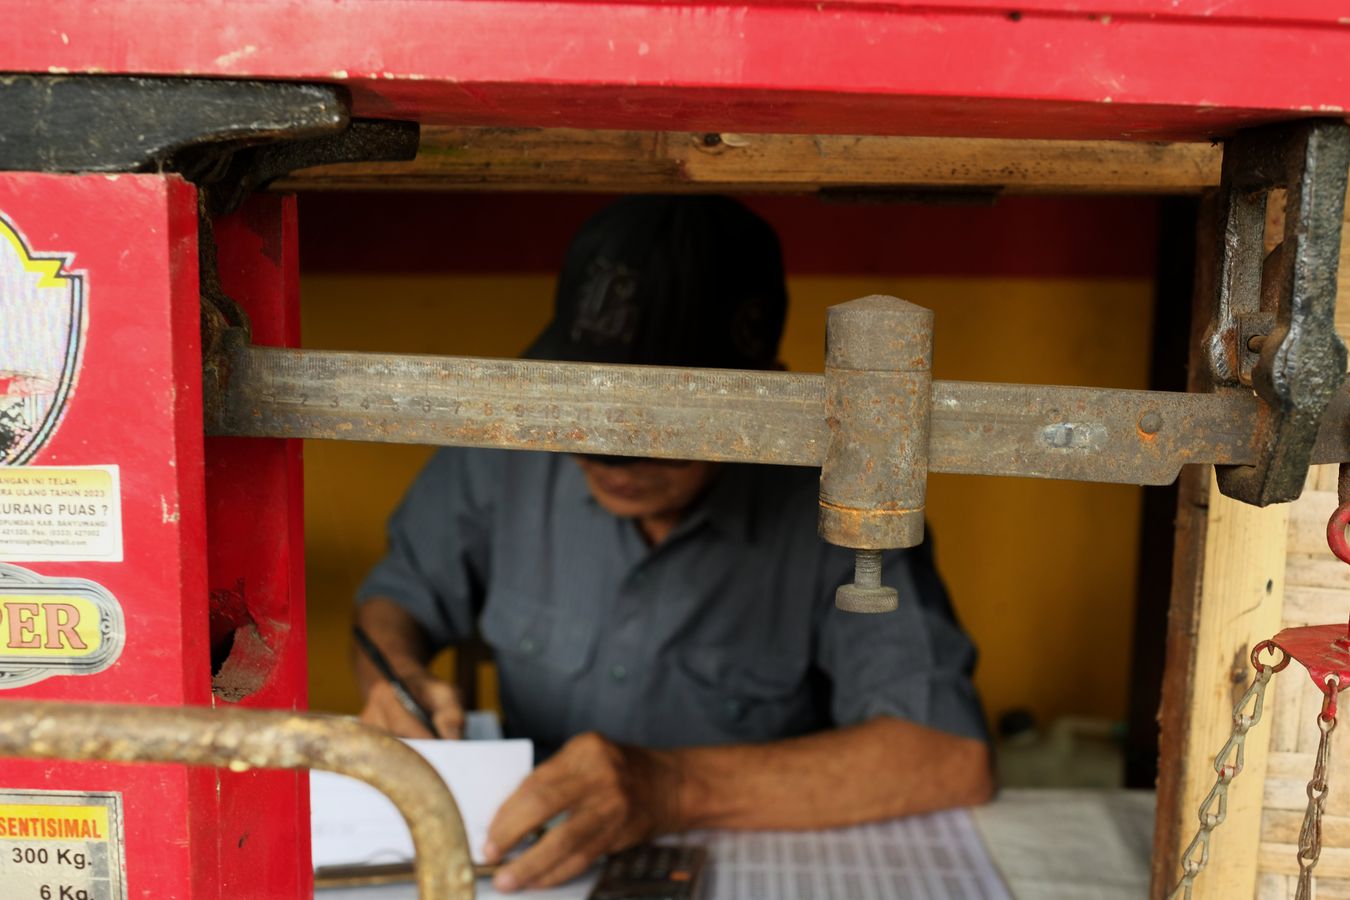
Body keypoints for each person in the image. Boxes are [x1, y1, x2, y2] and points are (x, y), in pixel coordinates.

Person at [353, 195, 992, 893]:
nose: (611, 460)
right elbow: (396, 597)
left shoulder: (842, 504)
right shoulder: (507, 451)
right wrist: (395, 679)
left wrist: (672, 788)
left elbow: (945, 754)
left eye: (658, 433)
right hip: (534, 865)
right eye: (587, 421)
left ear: (760, 400)